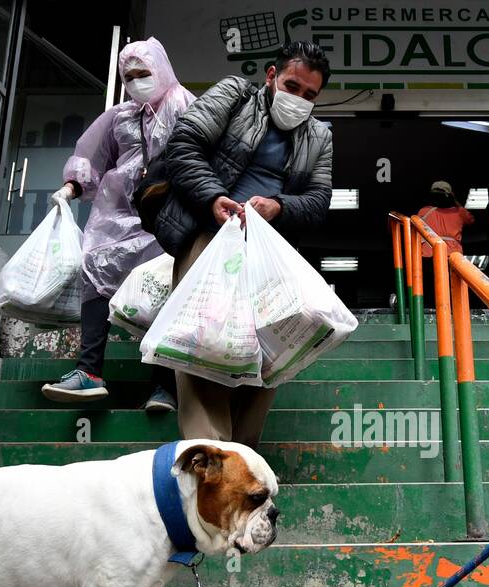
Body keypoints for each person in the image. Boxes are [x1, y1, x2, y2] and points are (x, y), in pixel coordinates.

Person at [138, 40, 333, 448]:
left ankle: (243, 460)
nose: (299, 100)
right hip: (211, 238)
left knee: (267, 352)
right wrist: (213, 198)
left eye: (310, 95)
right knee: (202, 344)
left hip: (268, 256)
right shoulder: (234, 95)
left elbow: (318, 202)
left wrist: (278, 207)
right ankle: (210, 455)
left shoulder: (319, 136)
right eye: (292, 86)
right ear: (271, 76)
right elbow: (184, 145)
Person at [40, 38, 193, 410]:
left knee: (164, 288)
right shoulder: (119, 116)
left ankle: (165, 385)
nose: (138, 81)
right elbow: (92, 154)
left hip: (166, 212)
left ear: (161, 69)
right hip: (117, 211)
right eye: (131, 75)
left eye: (145, 73)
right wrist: (71, 186)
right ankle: (88, 372)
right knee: (94, 269)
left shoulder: (186, 106)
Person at [416, 180, 475, 307]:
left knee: (430, 287)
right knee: (451, 288)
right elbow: (471, 220)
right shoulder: (460, 212)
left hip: (428, 256)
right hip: (452, 257)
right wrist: (455, 200)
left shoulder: (424, 212)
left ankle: (431, 310)